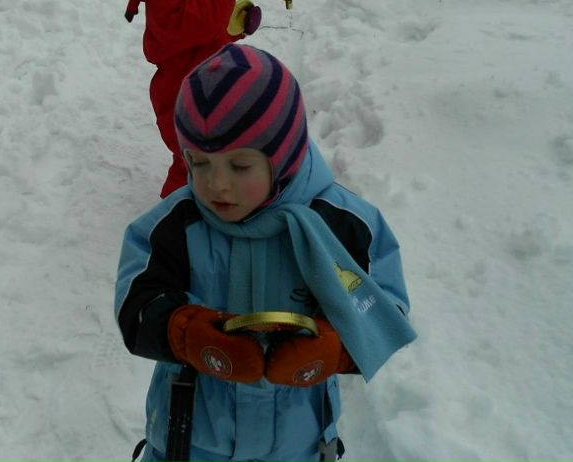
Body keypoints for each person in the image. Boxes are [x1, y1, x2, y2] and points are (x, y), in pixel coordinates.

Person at [115, 44, 417, 462]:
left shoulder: (342, 225)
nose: (216, 184)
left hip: (299, 443)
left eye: (240, 166)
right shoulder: (176, 225)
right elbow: (136, 303)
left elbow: (385, 312)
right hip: (191, 440)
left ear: (284, 156)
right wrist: (185, 332)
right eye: (198, 163)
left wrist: (334, 347)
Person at [124, 0, 261, 197]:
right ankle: (177, 210)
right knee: (194, 159)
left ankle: (214, 200)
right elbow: (192, 27)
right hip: (180, 93)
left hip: (206, 84)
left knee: (211, 155)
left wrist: (237, 26)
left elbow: (208, 36)